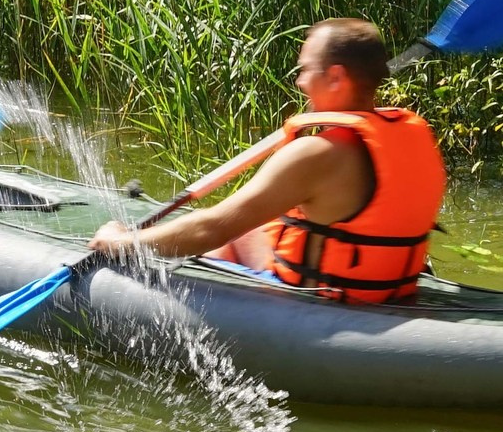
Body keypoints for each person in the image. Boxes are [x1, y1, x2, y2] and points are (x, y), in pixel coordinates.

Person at [90, 18, 447, 304]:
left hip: (325, 303)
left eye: (306, 69)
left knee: (221, 235)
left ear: (336, 76)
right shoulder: (412, 133)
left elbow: (212, 227)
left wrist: (121, 244)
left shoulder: (316, 154)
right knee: (253, 228)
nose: (298, 81)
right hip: (391, 288)